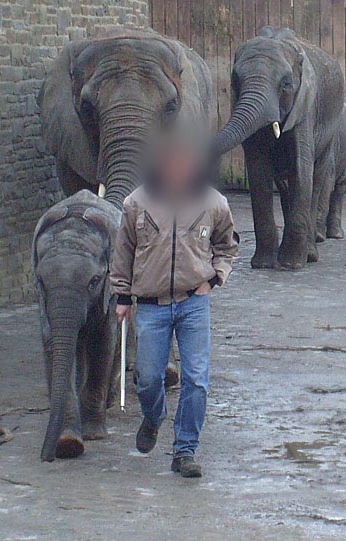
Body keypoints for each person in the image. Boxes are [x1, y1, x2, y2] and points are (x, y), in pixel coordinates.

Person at [110, 139, 238, 478]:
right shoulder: (136, 203)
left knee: (197, 381)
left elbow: (228, 246)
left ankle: (185, 450)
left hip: (194, 303)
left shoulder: (213, 203)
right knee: (148, 379)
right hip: (151, 306)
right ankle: (153, 417)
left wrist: (213, 280)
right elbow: (122, 253)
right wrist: (122, 297)